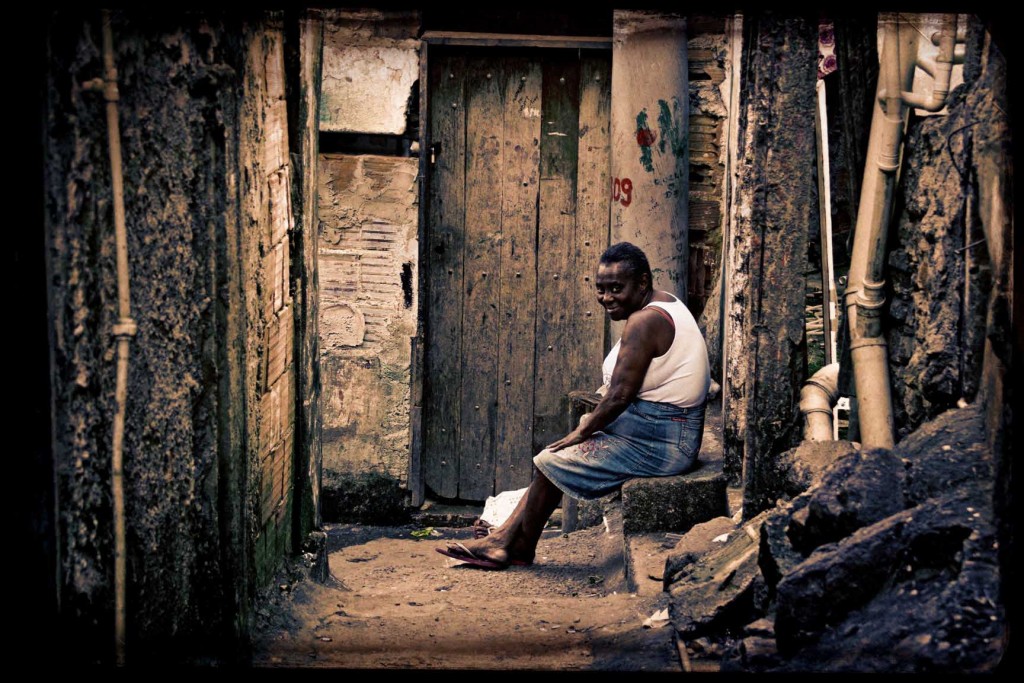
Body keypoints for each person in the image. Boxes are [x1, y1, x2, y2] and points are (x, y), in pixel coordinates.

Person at [436, 242, 711, 569]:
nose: (607, 298)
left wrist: (583, 431)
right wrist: (588, 425)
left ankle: (505, 543)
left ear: (642, 283)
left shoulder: (644, 322)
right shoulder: (663, 302)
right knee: (553, 457)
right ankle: (514, 544)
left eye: (616, 289)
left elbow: (620, 395)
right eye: (601, 289)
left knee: (552, 458)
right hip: (658, 428)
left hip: (663, 443)